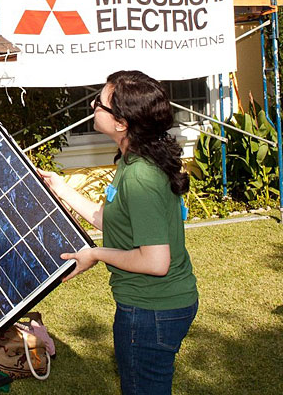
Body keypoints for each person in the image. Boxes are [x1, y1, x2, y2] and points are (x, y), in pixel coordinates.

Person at [38, 70, 198, 395]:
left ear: (122, 123)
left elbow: (156, 262)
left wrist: (94, 254)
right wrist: (62, 189)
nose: (94, 105)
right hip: (157, 307)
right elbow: (112, 221)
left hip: (151, 311)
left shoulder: (140, 176)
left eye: (101, 102)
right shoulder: (133, 160)